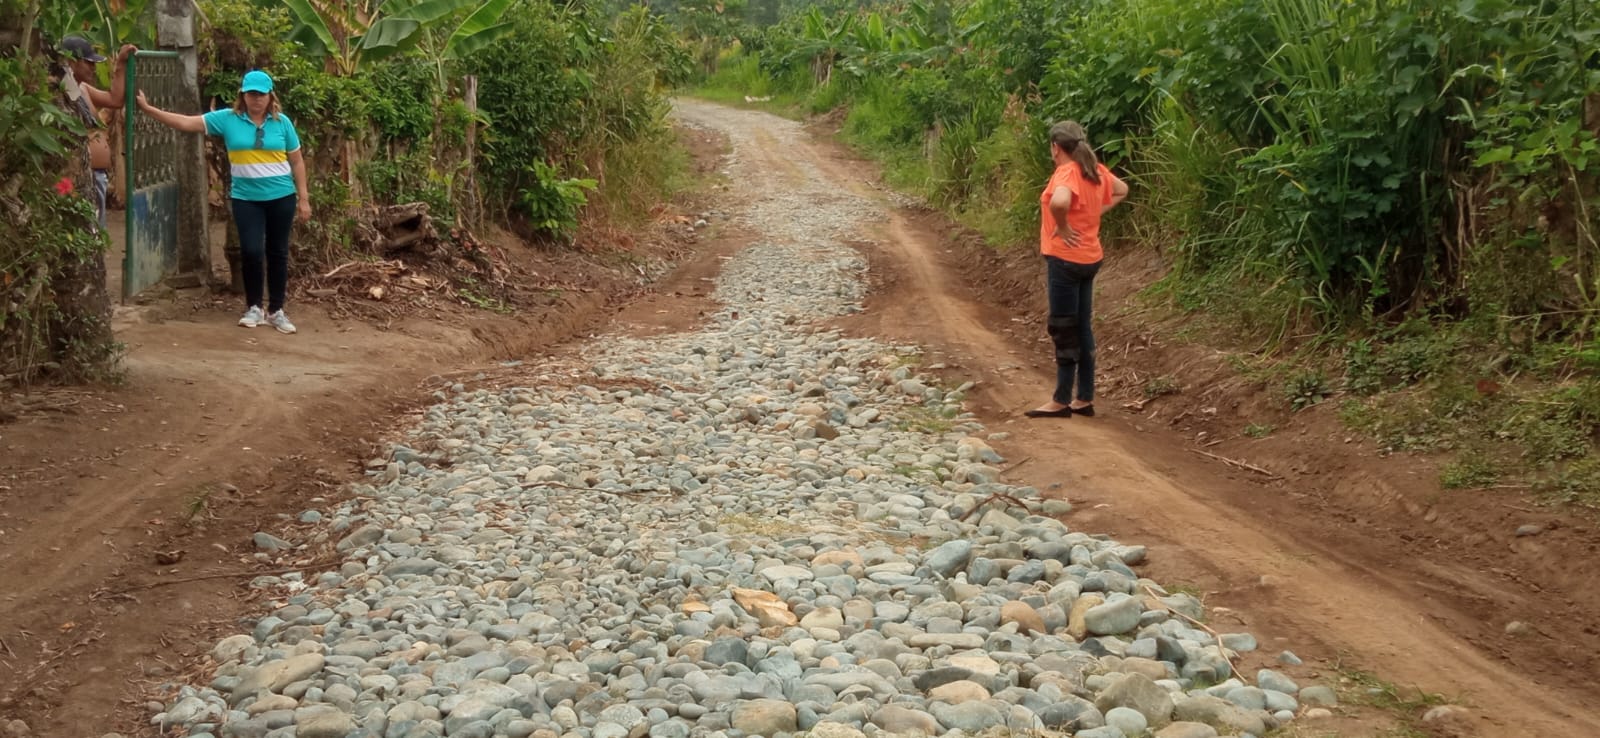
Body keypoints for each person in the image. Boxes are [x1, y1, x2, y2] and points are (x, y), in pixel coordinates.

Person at [136, 70, 310, 333]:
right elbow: (187, 123)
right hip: (246, 199)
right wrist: (150, 110)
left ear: (270, 96)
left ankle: (276, 310)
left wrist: (303, 198)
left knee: (278, 252)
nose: (256, 99)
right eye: (251, 94)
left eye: (261, 94)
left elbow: (296, 161)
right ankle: (254, 307)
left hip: (281, 197)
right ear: (243, 95)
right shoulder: (228, 119)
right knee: (251, 250)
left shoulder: (282, 123)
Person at [1025, 120, 1129, 419]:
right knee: (1082, 326)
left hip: (1065, 259)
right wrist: (1093, 213)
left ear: (1055, 147)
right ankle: (1084, 398)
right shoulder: (1094, 170)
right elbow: (1122, 190)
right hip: (1089, 258)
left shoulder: (1067, 172)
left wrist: (1062, 225)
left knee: (1063, 327)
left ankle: (1060, 400)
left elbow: (1059, 202)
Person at [59, 36, 136, 231]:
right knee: (87, 231)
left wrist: (120, 65)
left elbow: (115, 99)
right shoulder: (64, 89)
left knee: (96, 234)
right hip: (79, 177)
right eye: (89, 63)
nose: (93, 68)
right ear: (71, 62)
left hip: (98, 175)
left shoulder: (83, 88)